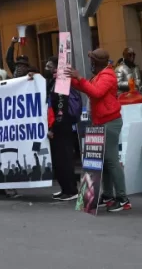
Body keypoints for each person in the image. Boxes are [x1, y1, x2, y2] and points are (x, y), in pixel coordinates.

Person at [66, 49, 130, 212]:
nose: (90, 64)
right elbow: (87, 88)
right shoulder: (100, 75)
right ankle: (108, 195)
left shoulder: (107, 76)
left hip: (110, 121)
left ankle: (123, 198)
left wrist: (78, 78)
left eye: (92, 61)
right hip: (102, 121)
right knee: (105, 162)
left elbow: (96, 92)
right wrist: (70, 80)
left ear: (98, 62)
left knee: (111, 161)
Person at [42, 56, 78, 201]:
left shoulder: (61, 84)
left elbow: (61, 109)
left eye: (50, 66)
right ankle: (64, 188)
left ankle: (71, 190)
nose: (47, 69)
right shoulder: (51, 83)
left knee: (65, 160)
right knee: (58, 160)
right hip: (56, 127)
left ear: (57, 68)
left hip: (63, 127)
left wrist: (54, 128)